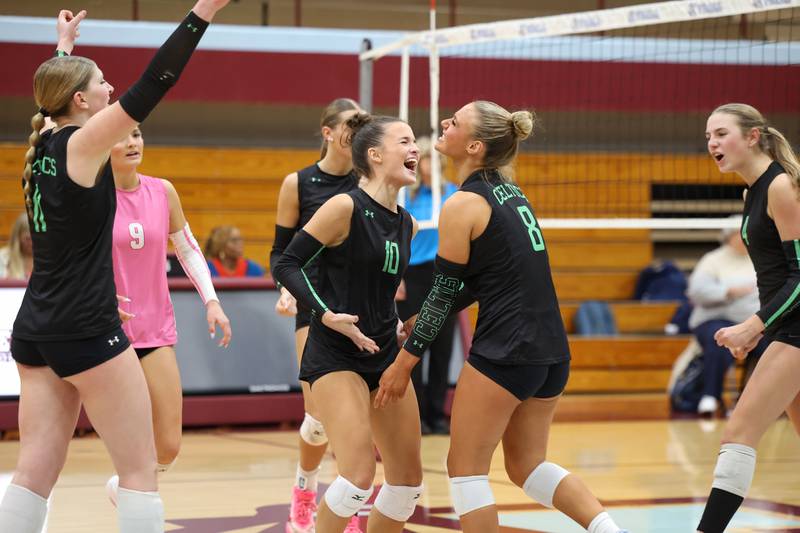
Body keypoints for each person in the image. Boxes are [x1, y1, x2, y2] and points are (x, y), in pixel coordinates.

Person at [0, 2, 229, 532]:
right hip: (86, 329)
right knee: (140, 472)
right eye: (102, 83)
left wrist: (63, 51)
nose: (111, 89)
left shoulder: (42, 149)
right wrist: (202, 12)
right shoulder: (83, 144)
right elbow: (156, 82)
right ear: (81, 100)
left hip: (36, 327)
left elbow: (53, 94)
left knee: (34, 472)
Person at [375, 101, 627, 533]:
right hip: (550, 353)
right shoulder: (512, 194)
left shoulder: (464, 203)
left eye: (455, 121)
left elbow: (442, 293)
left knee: (465, 470)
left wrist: (403, 364)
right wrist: (420, 318)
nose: (444, 123)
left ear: (474, 146)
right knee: (528, 466)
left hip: (507, 349)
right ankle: (609, 530)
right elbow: (475, 282)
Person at [273, 113, 423, 533]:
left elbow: (379, 287)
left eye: (415, 143)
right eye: (405, 141)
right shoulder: (344, 206)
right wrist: (324, 314)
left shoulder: (407, 222)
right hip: (336, 352)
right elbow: (287, 262)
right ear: (374, 155)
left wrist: (396, 323)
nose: (416, 150)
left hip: (384, 354)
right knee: (357, 480)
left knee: (407, 485)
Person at [105, 126, 232, 503]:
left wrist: (212, 301)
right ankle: (137, 501)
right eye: (122, 137)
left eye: (137, 135)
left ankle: (123, 489)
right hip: (105, 335)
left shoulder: (162, 191)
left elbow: (189, 249)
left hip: (155, 330)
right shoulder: (91, 196)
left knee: (169, 446)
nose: (132, 143)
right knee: (128, 442)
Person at [697, 103, 800, 533]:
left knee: (737, 434)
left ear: (753, 136)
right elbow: (775, 275)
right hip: (785, 325)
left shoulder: (781, 187)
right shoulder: (751, 192)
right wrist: (763, 329)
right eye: (707, 137)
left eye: (721, 134)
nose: (712, 144)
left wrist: (754, 324)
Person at [268, 98, 363, 533]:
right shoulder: (299, 184)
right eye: (350, 124)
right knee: (319, 414)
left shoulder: (370, 182)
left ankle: (352, 505)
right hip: (315, 306)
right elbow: (280, 253)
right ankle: (305, 488)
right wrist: (286, 290)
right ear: (328, 132)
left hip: (363, 310)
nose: (358, 130)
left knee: (361, 417)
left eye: (363, 123)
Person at [395, 137, 458, 435]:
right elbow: (396, 238)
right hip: (413, 273)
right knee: (414, 344)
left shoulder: (454, 194)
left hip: (444, 274)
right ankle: (416, 414)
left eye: (432, 158)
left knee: (443, 347)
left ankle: (436, 414)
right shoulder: (407, 195)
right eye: (423, 158)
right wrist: (398, 278)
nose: (427, 163)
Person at [687, 217, 768, 415]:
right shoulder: (713, 260)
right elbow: (697, 291)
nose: (743, 238)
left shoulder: (763, 258)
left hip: (754, 323)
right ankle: (710, 397)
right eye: (738, 234)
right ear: (728, 237)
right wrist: (728, 291)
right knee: (720, 341)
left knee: (774, 347)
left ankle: (753, 402)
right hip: (716, 319)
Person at [0, 213, 33, 280]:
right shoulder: (3, 257)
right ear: (18, 238)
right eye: (28, 239)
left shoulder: (48, 257)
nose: (32, 243)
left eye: (36, 239)